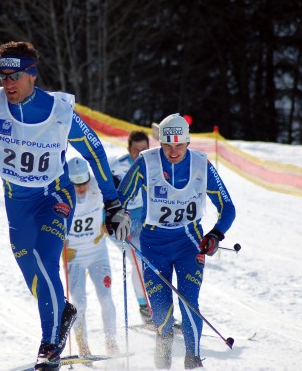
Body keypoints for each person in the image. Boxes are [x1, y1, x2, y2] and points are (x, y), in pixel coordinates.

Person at [0, 41, 131, 371]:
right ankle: (63, 313)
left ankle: (49, 349)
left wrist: (113, 202)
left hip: (53, 196)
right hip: (16, 204)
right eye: (3, 76)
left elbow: (95, 152)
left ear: (32, 74)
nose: (8, 84)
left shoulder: (60, 111)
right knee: (31, 272)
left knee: (47, 260)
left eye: (15, 76)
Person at [116, 114, 236, 369]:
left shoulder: (201, 165)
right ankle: (163, 362)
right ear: (159, 143)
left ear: (188, 142)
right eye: (167, 146)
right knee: (162, 317)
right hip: (153, 246)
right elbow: (118, 201)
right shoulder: (145, 163)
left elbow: (228, 207)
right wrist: (119, 217)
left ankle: (193, 360)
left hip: (188, 244)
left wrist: (215, 235)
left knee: (190, 301)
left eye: (179, 145)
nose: (173, 152)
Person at [64, 157, 119, 357]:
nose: (81, 188)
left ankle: (112, 342)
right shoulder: (62, 193)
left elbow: (117, 185)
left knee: (105, 297)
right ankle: (82, 346)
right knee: (79, 303)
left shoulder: (97, 185)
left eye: (84, 182)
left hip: (97, 252)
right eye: (76, 184)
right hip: (74, 257)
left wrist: (111, 218)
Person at [109, 130, 152, 325]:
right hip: (121, 221)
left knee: (149, 261)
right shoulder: (116, 165)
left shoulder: (153, 164)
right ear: (128, 149)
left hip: (141, 220)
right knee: (138, 261)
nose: (140, 154)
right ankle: (146, 310)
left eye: (144, 149)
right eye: (136, 150)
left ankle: (153, 306)